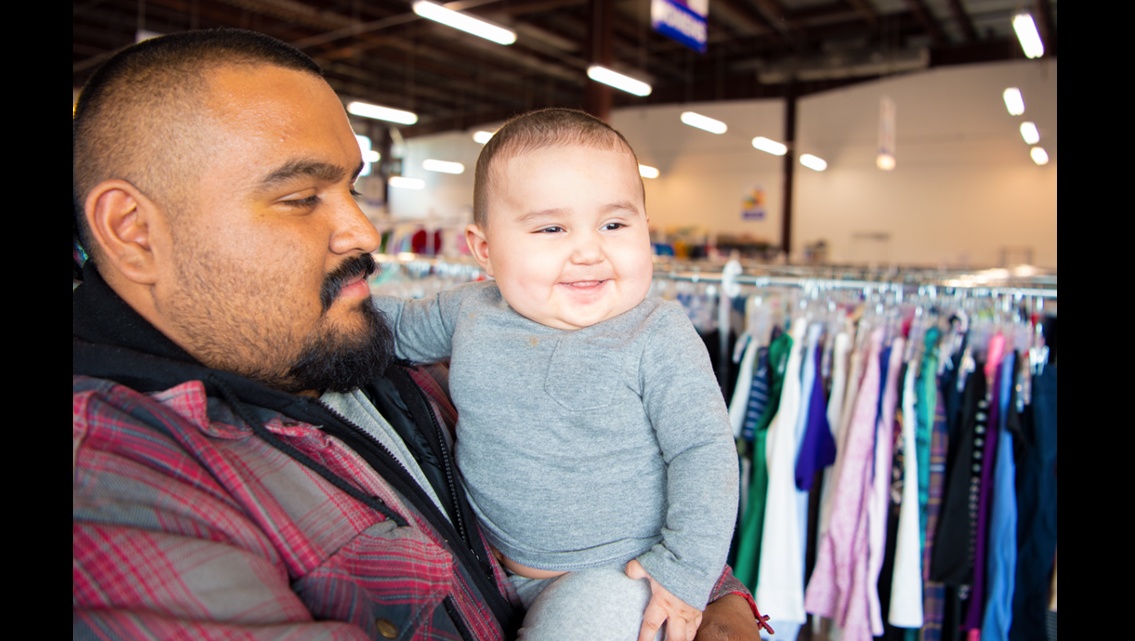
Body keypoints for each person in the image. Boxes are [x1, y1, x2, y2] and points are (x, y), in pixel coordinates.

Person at [72, 29, 769, 640]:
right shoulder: (117, 488)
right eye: (301, 197)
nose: (364, 232)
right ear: (133, 230)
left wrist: (708, 584)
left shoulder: (338, 340)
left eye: (352, 189)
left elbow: (659, 459)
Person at [374, 109, 738, 641]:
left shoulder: (657, 334)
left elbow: (704, 452)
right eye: (551, 228)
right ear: (484, 250)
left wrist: (684, 569)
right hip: (489, 566)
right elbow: (394, 329)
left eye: (614, 225)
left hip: (617, 575)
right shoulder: (470, 310)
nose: (589, 251)